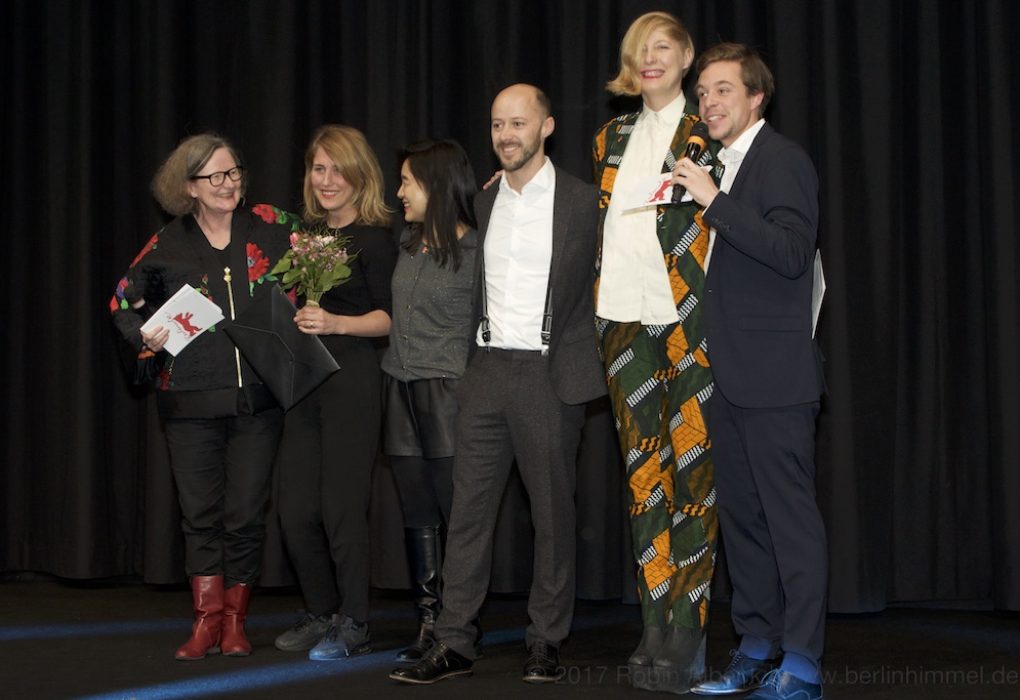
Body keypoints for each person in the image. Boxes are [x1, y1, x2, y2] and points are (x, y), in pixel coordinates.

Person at [390, 84, 606, 686]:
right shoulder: (480, 205)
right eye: (497, 125)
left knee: (553, 516)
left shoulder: (585, 203)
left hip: (548, 373)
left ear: (547, 127)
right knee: (468, 514)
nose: (506, 134)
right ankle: (454, 641)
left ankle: (545, 640)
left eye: (519, 123)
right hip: (483, 372)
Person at [672, 43, 826, 700]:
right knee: (743, 522)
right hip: (727, 375)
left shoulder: (782, 161)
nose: (709, 103)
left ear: (757, 97)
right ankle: (757, 642)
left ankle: (804, 663)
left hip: (778, 377)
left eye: (723, 90)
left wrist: (713, 201)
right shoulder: (721, 165)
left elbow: (792, 253)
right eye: (703, 92)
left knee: (789, 524)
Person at [109, 133, 297, 660]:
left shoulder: (270, 224)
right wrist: (141, 335)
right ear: (188, 186)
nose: (228, 184)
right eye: (214, 176)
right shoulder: (167, 244)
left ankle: (236, 622)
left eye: (233, 172)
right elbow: (122, 301)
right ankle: (205, 622)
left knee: (245, 513)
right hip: (189, 403)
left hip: (258, 400)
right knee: (200, 516)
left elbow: (324, 251)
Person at [591, 10, 718, 693]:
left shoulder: (705, 137)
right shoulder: (609, 137)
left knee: (693, 479)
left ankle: (689, 629)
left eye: (663, 48)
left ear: (687, 57)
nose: (651, 59)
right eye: (641, 51)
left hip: (685, 323)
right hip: (621, 323)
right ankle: (655, 619)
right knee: (645, 483)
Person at [272, 125, 397, 660]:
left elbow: (391, 319)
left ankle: (355, 621)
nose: (327, 180)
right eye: (318, 169)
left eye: (337, 169)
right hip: (305, 382)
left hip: (353, 380)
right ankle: (322, 611)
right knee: (295, 507)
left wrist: (336, 324)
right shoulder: (305, 237)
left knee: (342, 507)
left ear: (360, 175)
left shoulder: (376, 237)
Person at [382, 139, 480, 662]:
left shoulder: (476, 252)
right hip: (398, 387)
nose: (399, 192)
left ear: (436, 185)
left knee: (456, 514)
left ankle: (459, 625)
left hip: (447, 393)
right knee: (418, 512)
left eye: (407, 182)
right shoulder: (406, 241)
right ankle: (428, 620)